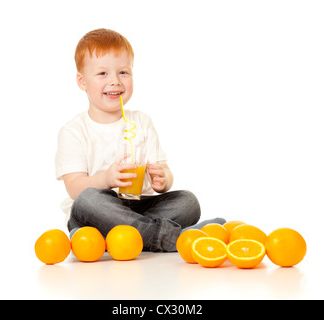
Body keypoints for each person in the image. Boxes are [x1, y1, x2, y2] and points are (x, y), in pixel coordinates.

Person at [55, 28, 225, 252]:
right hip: (94, 215)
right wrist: (106, 179)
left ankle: (127, 236)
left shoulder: (141, 122)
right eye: (102, 74)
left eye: (123, 72)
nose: (115, 81)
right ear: (82, 81)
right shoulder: (74, 131)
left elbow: (163, 171)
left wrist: (163, 180)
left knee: (187, 201)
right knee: (88, 200)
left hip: (137, 209)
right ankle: (171, 238)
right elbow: (75, 189)